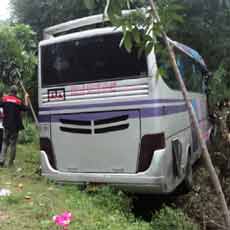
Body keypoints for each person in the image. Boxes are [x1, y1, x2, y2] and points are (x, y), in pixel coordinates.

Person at [0, 85, 29, 167]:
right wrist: (26, 98)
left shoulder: (4, 99)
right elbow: (26, 109)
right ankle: (10, 163)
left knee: (5, 143)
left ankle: (1, 160)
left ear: (10, 91)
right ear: (16, 92)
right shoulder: (18, 101)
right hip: (15, 127)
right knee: (13, 144)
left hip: (6, 125)